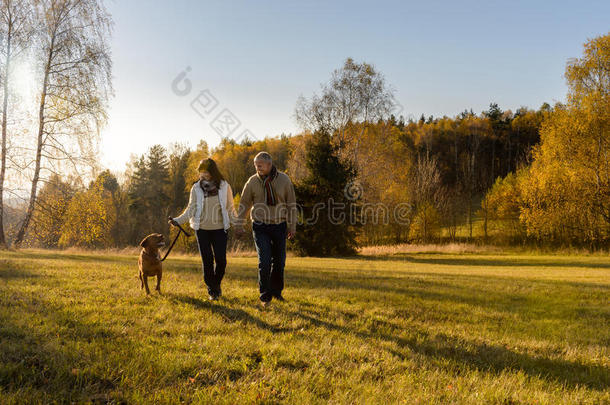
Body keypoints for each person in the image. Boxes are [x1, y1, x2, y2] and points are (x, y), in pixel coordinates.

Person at [169, 158, 236, 300]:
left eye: (205, 172)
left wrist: (239, 224)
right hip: (202, 230)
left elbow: (230, 208)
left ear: (212, 172)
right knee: (207, 260)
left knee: (221, 261)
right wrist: (177, 220)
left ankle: (216, 285)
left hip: (220, 229)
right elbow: (191, 209)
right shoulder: (196, 188)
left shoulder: (224, 186)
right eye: (201, 172)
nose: (202, 175)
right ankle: (212, 291)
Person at [236, 152, 297, 307]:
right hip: (260, 226)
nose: (258, 167)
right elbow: (244, 204)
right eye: (256, 165)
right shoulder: (252, 181)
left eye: (260, 165)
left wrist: (292, 226)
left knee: (279, 262)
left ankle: (276, 292)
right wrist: (239, 224)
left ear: (269, 164)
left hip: (279, 226)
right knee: (264, 262)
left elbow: (291, 204)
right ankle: (265, 296)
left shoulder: (284, 180)